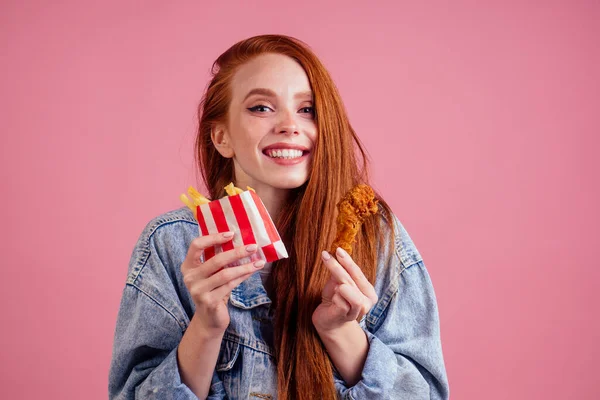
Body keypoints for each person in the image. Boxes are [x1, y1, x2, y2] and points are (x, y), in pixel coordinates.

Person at [109, 34, 449, 400]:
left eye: (307, 110)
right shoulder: (171, 243)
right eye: (261, 108)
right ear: (222, 137)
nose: (290, 124)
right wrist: (206, 325)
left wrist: (339, 331)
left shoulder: (377, 238)